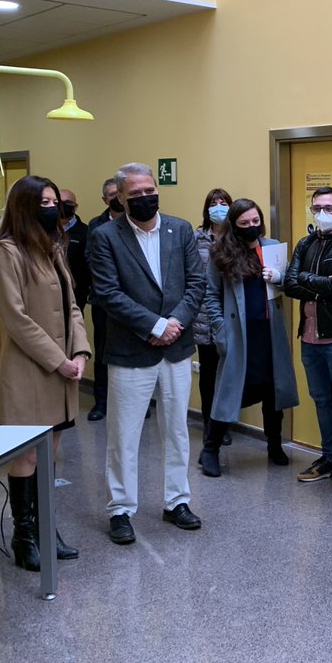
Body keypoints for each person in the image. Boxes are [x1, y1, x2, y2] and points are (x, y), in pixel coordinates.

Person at [87, 163, 205, 544]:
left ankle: (177, 501)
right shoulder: (105, 237)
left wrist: (175, 323)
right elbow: (107, 293)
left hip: (177, 348)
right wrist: (155, 326)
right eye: (135, 193)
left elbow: (196, 283)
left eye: (149, 190)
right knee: (124, 435)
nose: (144, 198)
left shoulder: (180, 229)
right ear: (120, 198)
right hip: (130, 351)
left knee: (176, 430)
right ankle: (120, 509)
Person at [0, 175, 90, 570]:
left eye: (54, 202)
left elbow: (72, 306)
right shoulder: (5, 252)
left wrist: (79, 352)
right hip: (31, 369)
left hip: (63, 370)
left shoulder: (53, 248)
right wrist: (58, 360)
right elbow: (16, 318)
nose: (52, 208)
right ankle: (25, 535)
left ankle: (48, 528)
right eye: (43, 202)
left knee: (50, 453)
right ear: (25, 206)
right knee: (28, 453)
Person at [199, 198, 298, 475]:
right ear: (234, 225)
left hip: (269, 333)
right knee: (229, 391)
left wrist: (279, 277)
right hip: (238, 334)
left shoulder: (271, 247)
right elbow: (211, 295)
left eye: (256, 221)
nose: (252, 226)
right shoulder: (220, 253)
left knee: (273, 390)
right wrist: (220, 329)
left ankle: (274, 444)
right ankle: (210, 448)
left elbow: (289, 283)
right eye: (244, 223)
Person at [283, 186, 332, 491]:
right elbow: (289, 285)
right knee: (321, 400)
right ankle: (329, 457)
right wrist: (317, 286)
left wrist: (306, 280)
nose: (322, 213)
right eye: (317, 208)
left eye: (329, 208)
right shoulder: (305, 243)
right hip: (310, 338)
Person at [193, 187, 232, 444]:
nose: (218, 207)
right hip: (203, 315)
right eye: (214, 202)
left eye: (223, 202)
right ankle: (209, 423)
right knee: (208, 372)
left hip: (230, 312)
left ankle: (224, 423)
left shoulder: (236, 237)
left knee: (227, 372)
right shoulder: (196, 238)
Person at [85, 178, 123, 421]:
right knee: (103, 352)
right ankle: (101, 402)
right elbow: (91, 259)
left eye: (119, 194)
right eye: (111, 195)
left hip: (134, 301)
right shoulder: (96, 226)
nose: (116, 198)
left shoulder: (136, 221)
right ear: (105, 200)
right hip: (103, 300)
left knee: (133, 353)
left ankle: (136, 404)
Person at [59, 188, 90, 313]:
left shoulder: (86, 232)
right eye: (59, 202)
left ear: (75, 207)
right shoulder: (42, 231)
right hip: (47, 293)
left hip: (76, 295)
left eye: (68, 202)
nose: (63, 206)